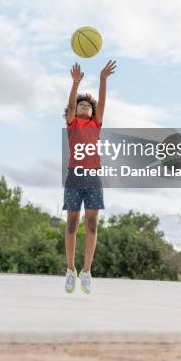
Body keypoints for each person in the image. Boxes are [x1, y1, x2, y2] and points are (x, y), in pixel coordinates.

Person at [63, 59, 116, 294]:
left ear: (93, 112)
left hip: (93, 178)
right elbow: (71, 105)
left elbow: (102, 101)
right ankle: (70, 270)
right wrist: (75, 84)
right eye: (80, 104)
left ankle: (86, 271)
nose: (84, 106)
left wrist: (103, 79)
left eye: (88, 105)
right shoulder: (73, 124)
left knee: (92, 225)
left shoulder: (96, 125)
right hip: (75, 177)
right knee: (72, 225)